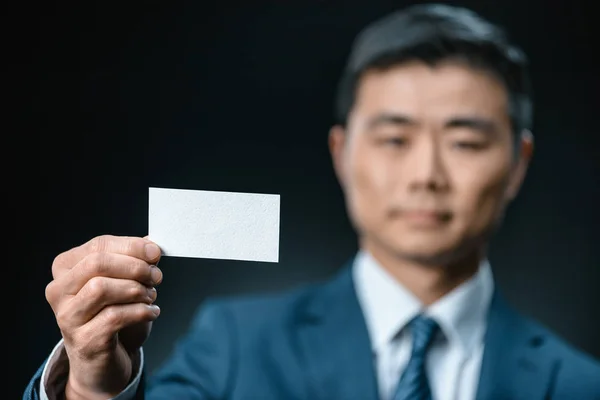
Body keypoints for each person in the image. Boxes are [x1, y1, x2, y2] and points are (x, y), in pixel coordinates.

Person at [24, 3, 600, 400]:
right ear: (341, 153)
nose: (427, 175)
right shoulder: (231, 345)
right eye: (395, 139)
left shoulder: (580, 385)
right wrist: (93, 386)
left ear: (518, 163)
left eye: (466, 141)